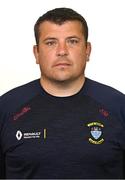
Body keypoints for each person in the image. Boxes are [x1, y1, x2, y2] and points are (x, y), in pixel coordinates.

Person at [0, 7, 125, 179]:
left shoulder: (119, 107)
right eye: (51, 42)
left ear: (87, 50)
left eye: (72, 41)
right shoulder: (6, 108)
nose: (62, 51)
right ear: (36, 53)